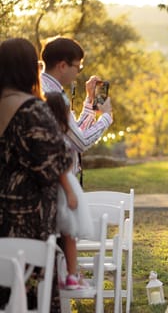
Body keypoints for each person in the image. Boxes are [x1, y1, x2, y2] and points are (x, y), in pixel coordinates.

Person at [0, 38, 72, 312]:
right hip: (27, 216)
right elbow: (54, 164)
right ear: (29, 68)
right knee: (31, 293)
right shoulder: (32, 109)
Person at [40, 36, 113, 177]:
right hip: (58, 183)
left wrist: (90, 99)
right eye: (78, 67)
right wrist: (106, 117)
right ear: (62, 66)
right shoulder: (51, 95)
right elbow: (81, 142)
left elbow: (74, 134)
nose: (78, 72)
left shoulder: (45, 88)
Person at [45, 91, 94, 290]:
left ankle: (63, 273)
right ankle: (72, 275)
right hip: (65, 188)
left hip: (52, 188)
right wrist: (71, 193)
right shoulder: (61, 139)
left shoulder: (47, 135)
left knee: (58, 235)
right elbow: (63, 166)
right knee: (69, 234)